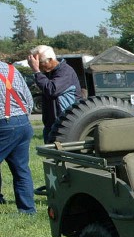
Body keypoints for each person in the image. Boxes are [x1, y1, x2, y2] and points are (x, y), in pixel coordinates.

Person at [0, 62, 36, 214]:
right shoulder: (11, 69)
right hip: (23, 122)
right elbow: (29, 100)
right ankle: (27, 210)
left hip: (4, 124)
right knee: (21, 170)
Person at [27, 45, 82, 142]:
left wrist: (37, 72)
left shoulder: (65, 71)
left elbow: (51, 90)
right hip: (51, 125)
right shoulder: (48, 73)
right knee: (52, 156)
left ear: (50, 60)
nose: (38, 66)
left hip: (66, 125)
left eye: (39, 63)